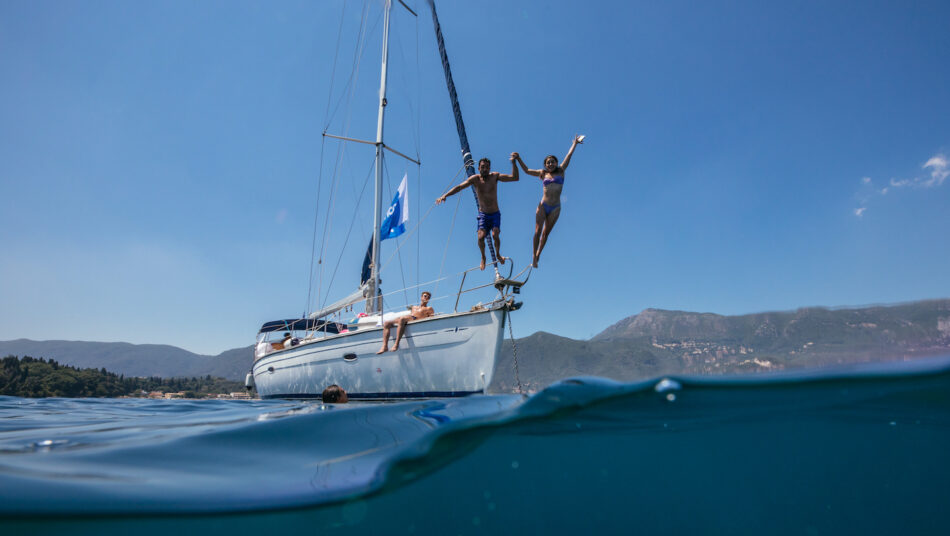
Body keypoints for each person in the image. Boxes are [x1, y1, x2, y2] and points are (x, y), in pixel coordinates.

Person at [436, 154, 519, 270]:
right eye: (483, 167)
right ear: (479, 168)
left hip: (495, 214)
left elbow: (515, 177)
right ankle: (483, 257)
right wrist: (445, 195)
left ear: (489, 168)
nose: (485, 169)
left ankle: (498, 254)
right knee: (480, 237)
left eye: (487, 167)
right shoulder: (475, 179)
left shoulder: (495, 176)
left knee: (495, 234)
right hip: (484, 214)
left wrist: (514, 163)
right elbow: (459, 187)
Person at [514, 135, 583, 267]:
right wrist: (518, 159)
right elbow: (527, 171)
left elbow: (568, 156)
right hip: (544, 205)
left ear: (556, 163)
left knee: (545, 234)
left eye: (552, 162)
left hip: (555, 208)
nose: (550, 164)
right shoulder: (542, 173)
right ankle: (534, 255)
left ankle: (539, 253)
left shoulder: (561, 171)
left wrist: (574, 143)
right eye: (548, 162)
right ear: (545, 165)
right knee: (537, 231)